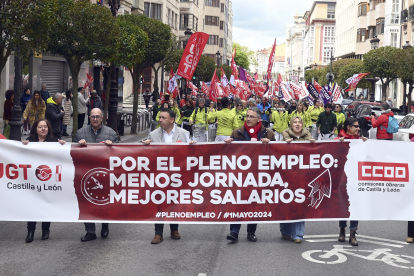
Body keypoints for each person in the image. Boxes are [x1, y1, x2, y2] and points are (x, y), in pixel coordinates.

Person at [142, 108, 196, 244]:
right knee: (159, 202)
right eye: (160, 117)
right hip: (159, 175)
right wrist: (145, 146)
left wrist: (193, 147)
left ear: (172, 120)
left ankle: (174, 229)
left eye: (163, 118)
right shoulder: (153, 134)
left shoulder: (184, 134)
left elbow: (192, 155)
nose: (160, 120)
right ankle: (158, 233)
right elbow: (145, 155)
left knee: (174, 202)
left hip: (177, 175)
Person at [224, 106, 275, 243]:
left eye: (252, 116)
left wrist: (270, 145)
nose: (248, 119)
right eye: (247, 116)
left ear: (259, 118)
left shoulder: (268, 133)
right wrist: (227, 145)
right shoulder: (237, 132)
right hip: (240, 175)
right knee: (237, 202)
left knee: (254, 202)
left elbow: (277, 153)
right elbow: (228, 155)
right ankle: (234, 232)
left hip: (259, 174)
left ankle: (251, 232)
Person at [75, 108, 119, 242]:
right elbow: (73, 151)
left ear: (102, 118)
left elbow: (121, 152)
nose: (95, 119)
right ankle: (90, 231)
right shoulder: (80, 133)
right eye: (93, 117)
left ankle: (105, 225)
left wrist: (113, 146)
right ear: (89, 118)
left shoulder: (110, 133)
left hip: (105, 173)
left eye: (97, 117)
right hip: (85, 173)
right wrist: (79, 144)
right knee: (87, 203)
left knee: (104, 202)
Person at [21, 118, 66, 243]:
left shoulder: (53, 141)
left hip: (48, 179)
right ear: (36, 129)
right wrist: (21, 147)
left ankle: (46, 230)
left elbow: (61, 157)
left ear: (48, 128)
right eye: (40, 126)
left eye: (45, 126)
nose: (43, 129)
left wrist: (63, 146)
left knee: (46, 204)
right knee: (32, 206)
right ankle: (30, 232)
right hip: (33, 180)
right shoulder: (30, 141)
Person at [281, 116, 315, 243]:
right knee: (286, 202)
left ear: (302, 125)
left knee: (300, 202)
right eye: (295, 122)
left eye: (299, 122)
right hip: (287, 174)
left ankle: (298, 235)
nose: (297, 124)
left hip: (302, 175)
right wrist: (285, 144)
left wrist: (314, 145)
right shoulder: (285, 134)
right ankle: (285, 231)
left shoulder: (308, 135)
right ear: (291, 125)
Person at [336, 117, 368, 246]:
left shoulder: (360, 141)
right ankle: (342, 231)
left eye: (358, 126)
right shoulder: (338, 140)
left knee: (356, 205)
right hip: (342, 179)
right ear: (348, 127)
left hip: (356, 178)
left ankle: (353, 233)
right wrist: (338, 144)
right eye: (355, 126)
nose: (358, 128)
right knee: (343, 206)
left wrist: (366, 144)